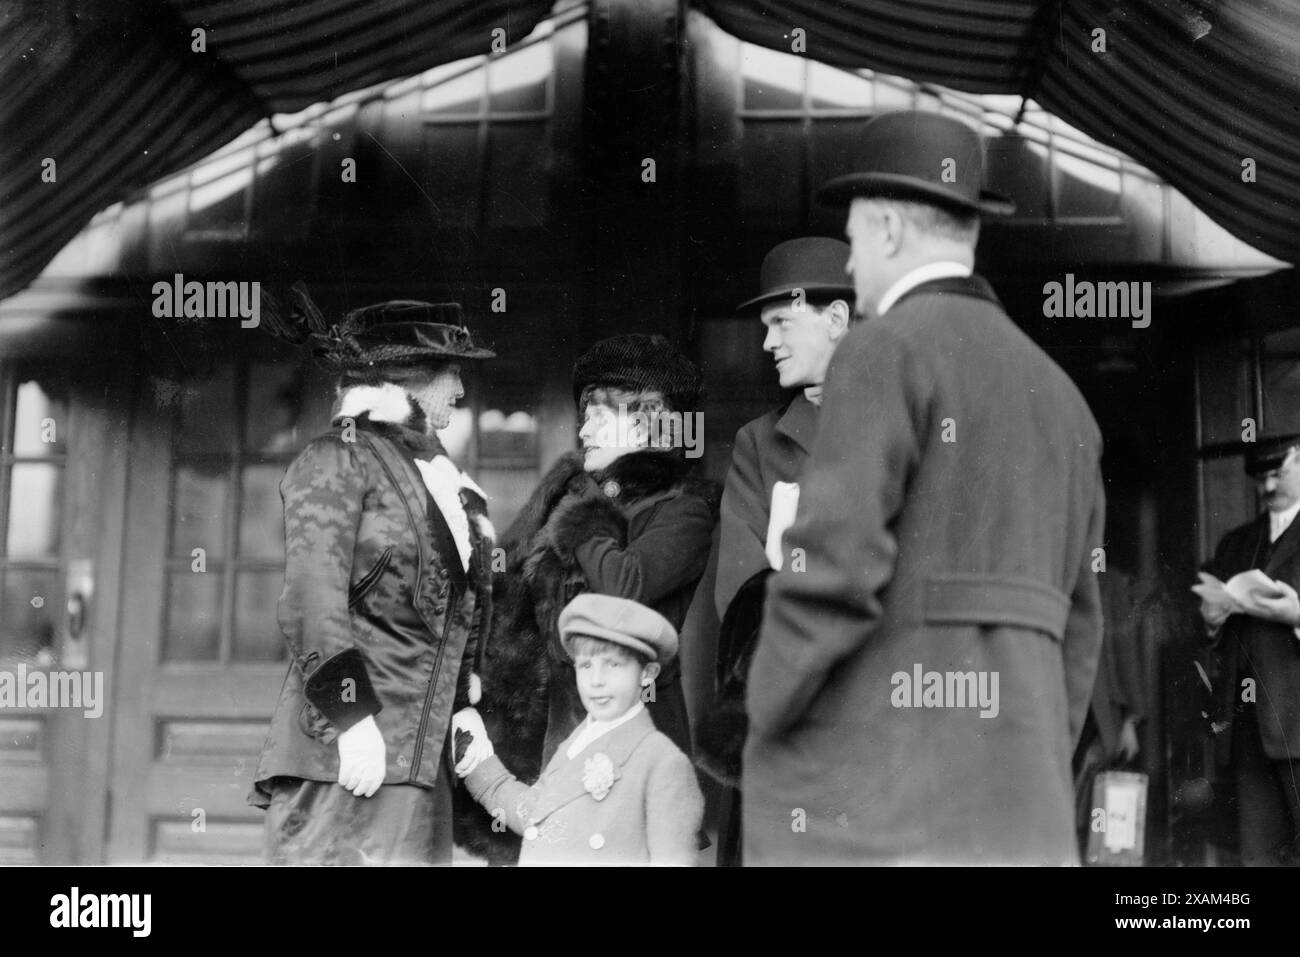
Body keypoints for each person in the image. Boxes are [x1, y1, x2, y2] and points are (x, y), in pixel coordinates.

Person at [743, 111, 1106, 865]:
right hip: (1025, 812)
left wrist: (765, 708)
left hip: (893, 814)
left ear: (884, 230)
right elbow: (1081, 626)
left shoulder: (881, 352)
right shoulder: (1065, 396)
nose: (848, 262)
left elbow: (832, 568)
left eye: (849, 239)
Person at [248, 291, 497, 865]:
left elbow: (451, 618)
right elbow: (312, 598)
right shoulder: (339, 459)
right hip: (345, 756)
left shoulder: (438, 479)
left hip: (418, 761)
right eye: (451, 372)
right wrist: (352, 717)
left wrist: (462, 707)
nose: (460, 391)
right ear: (409, 378)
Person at [459, 333, 719, 863]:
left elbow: (626, 584)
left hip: (633, 731)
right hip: (553, 730)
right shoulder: (572, 492)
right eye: (585, 416)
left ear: (648, 420)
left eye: (599, 417)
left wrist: (582, 519)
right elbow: (509, 601)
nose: (583, 430)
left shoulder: (683, 508)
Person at [695, 237, 854, 867]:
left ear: (837, 319)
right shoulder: (762, 444)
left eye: (782, 323)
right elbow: (740, 590)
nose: (768, 343)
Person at [457, 593, 703, 865]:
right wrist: (479, 765)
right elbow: (535, 816)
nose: (596, 681)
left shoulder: (662, 763)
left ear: (648, 674)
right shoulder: (578, 743)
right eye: (586, 665)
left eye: (613, 665)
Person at [1197, 434, 1300, 865]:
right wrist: (1212, 620)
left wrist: (1297, 616)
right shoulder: (1235, 544)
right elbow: (1212, 634)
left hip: (1298, 721)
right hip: (1248, 729)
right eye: (1262, 478)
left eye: (1279, 474)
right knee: (1258, 857)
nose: (1269, 487)